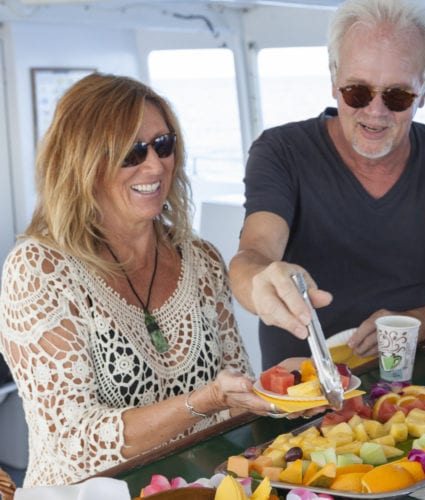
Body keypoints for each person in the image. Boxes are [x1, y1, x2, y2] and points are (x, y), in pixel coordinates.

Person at [0, 73, 313, 488]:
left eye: (163, 145)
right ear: (83, 162)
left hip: (197, 486)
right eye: (132, 152)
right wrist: (205, 401)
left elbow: (234, 397)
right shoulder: (38, 270)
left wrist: (284, 390)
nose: (155, 165)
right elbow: (75, 442)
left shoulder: (201, 260)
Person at [229, 0, 425, 369]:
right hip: (308, 391)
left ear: (424, 91)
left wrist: (417, 321)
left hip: (424, 380)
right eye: (357, 92)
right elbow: (253, 254)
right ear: (334, 79)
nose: (376, 112)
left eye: (397, 96)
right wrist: (260, 280)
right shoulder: (282, 151)